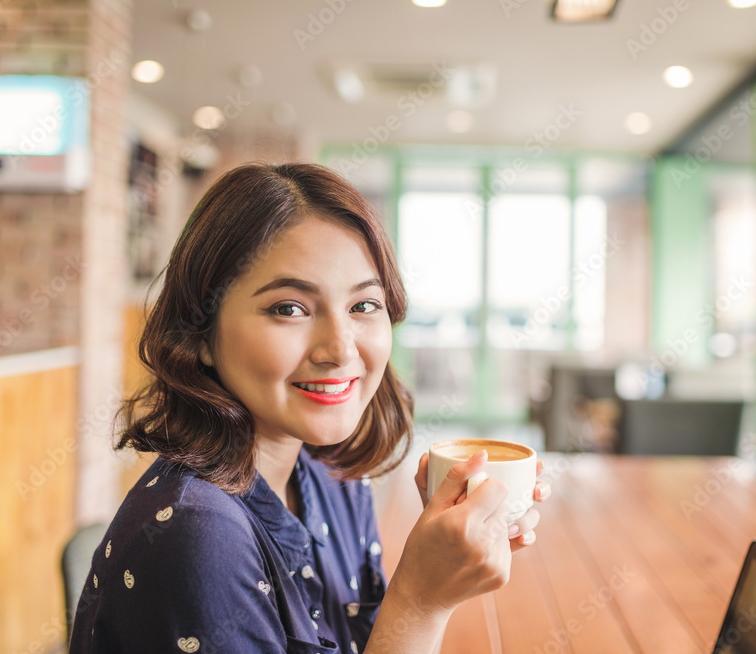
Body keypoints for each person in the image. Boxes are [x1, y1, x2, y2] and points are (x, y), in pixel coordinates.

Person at [68, 163, 549, 653]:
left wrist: (443, 563)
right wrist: (422, 600)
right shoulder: (198, 536)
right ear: (200, 335)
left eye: (363, 306)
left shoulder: (333, 480)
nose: (339, 349)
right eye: (289, 308)